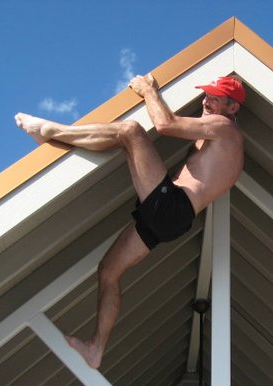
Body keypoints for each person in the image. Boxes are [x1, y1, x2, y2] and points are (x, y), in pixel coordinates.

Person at [15, 74, 245, 369]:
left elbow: (165, 124)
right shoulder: (217, 137)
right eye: (207, 95)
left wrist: (150, 91)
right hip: (172, 215)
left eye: (215, 98)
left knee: (131, 131)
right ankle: (96, 349)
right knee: (108, 271)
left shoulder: (226, 129)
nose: (206, 101)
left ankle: (52, 131)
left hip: (174, 207)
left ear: (232, 108)